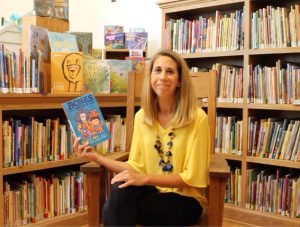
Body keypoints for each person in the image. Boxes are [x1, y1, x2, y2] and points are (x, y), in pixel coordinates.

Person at [73, 49, 210, 226]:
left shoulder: (197, 118)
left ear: (180, 80)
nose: (163, 77)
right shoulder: (142, 117)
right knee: (120, 189)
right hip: (150, 193)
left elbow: (192, 177)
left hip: (184, 200)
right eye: (157, 70)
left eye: (170, 71)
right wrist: (96, 157)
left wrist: (145, 178)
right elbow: (135, 167)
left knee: (111, 208)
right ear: (151, 78)